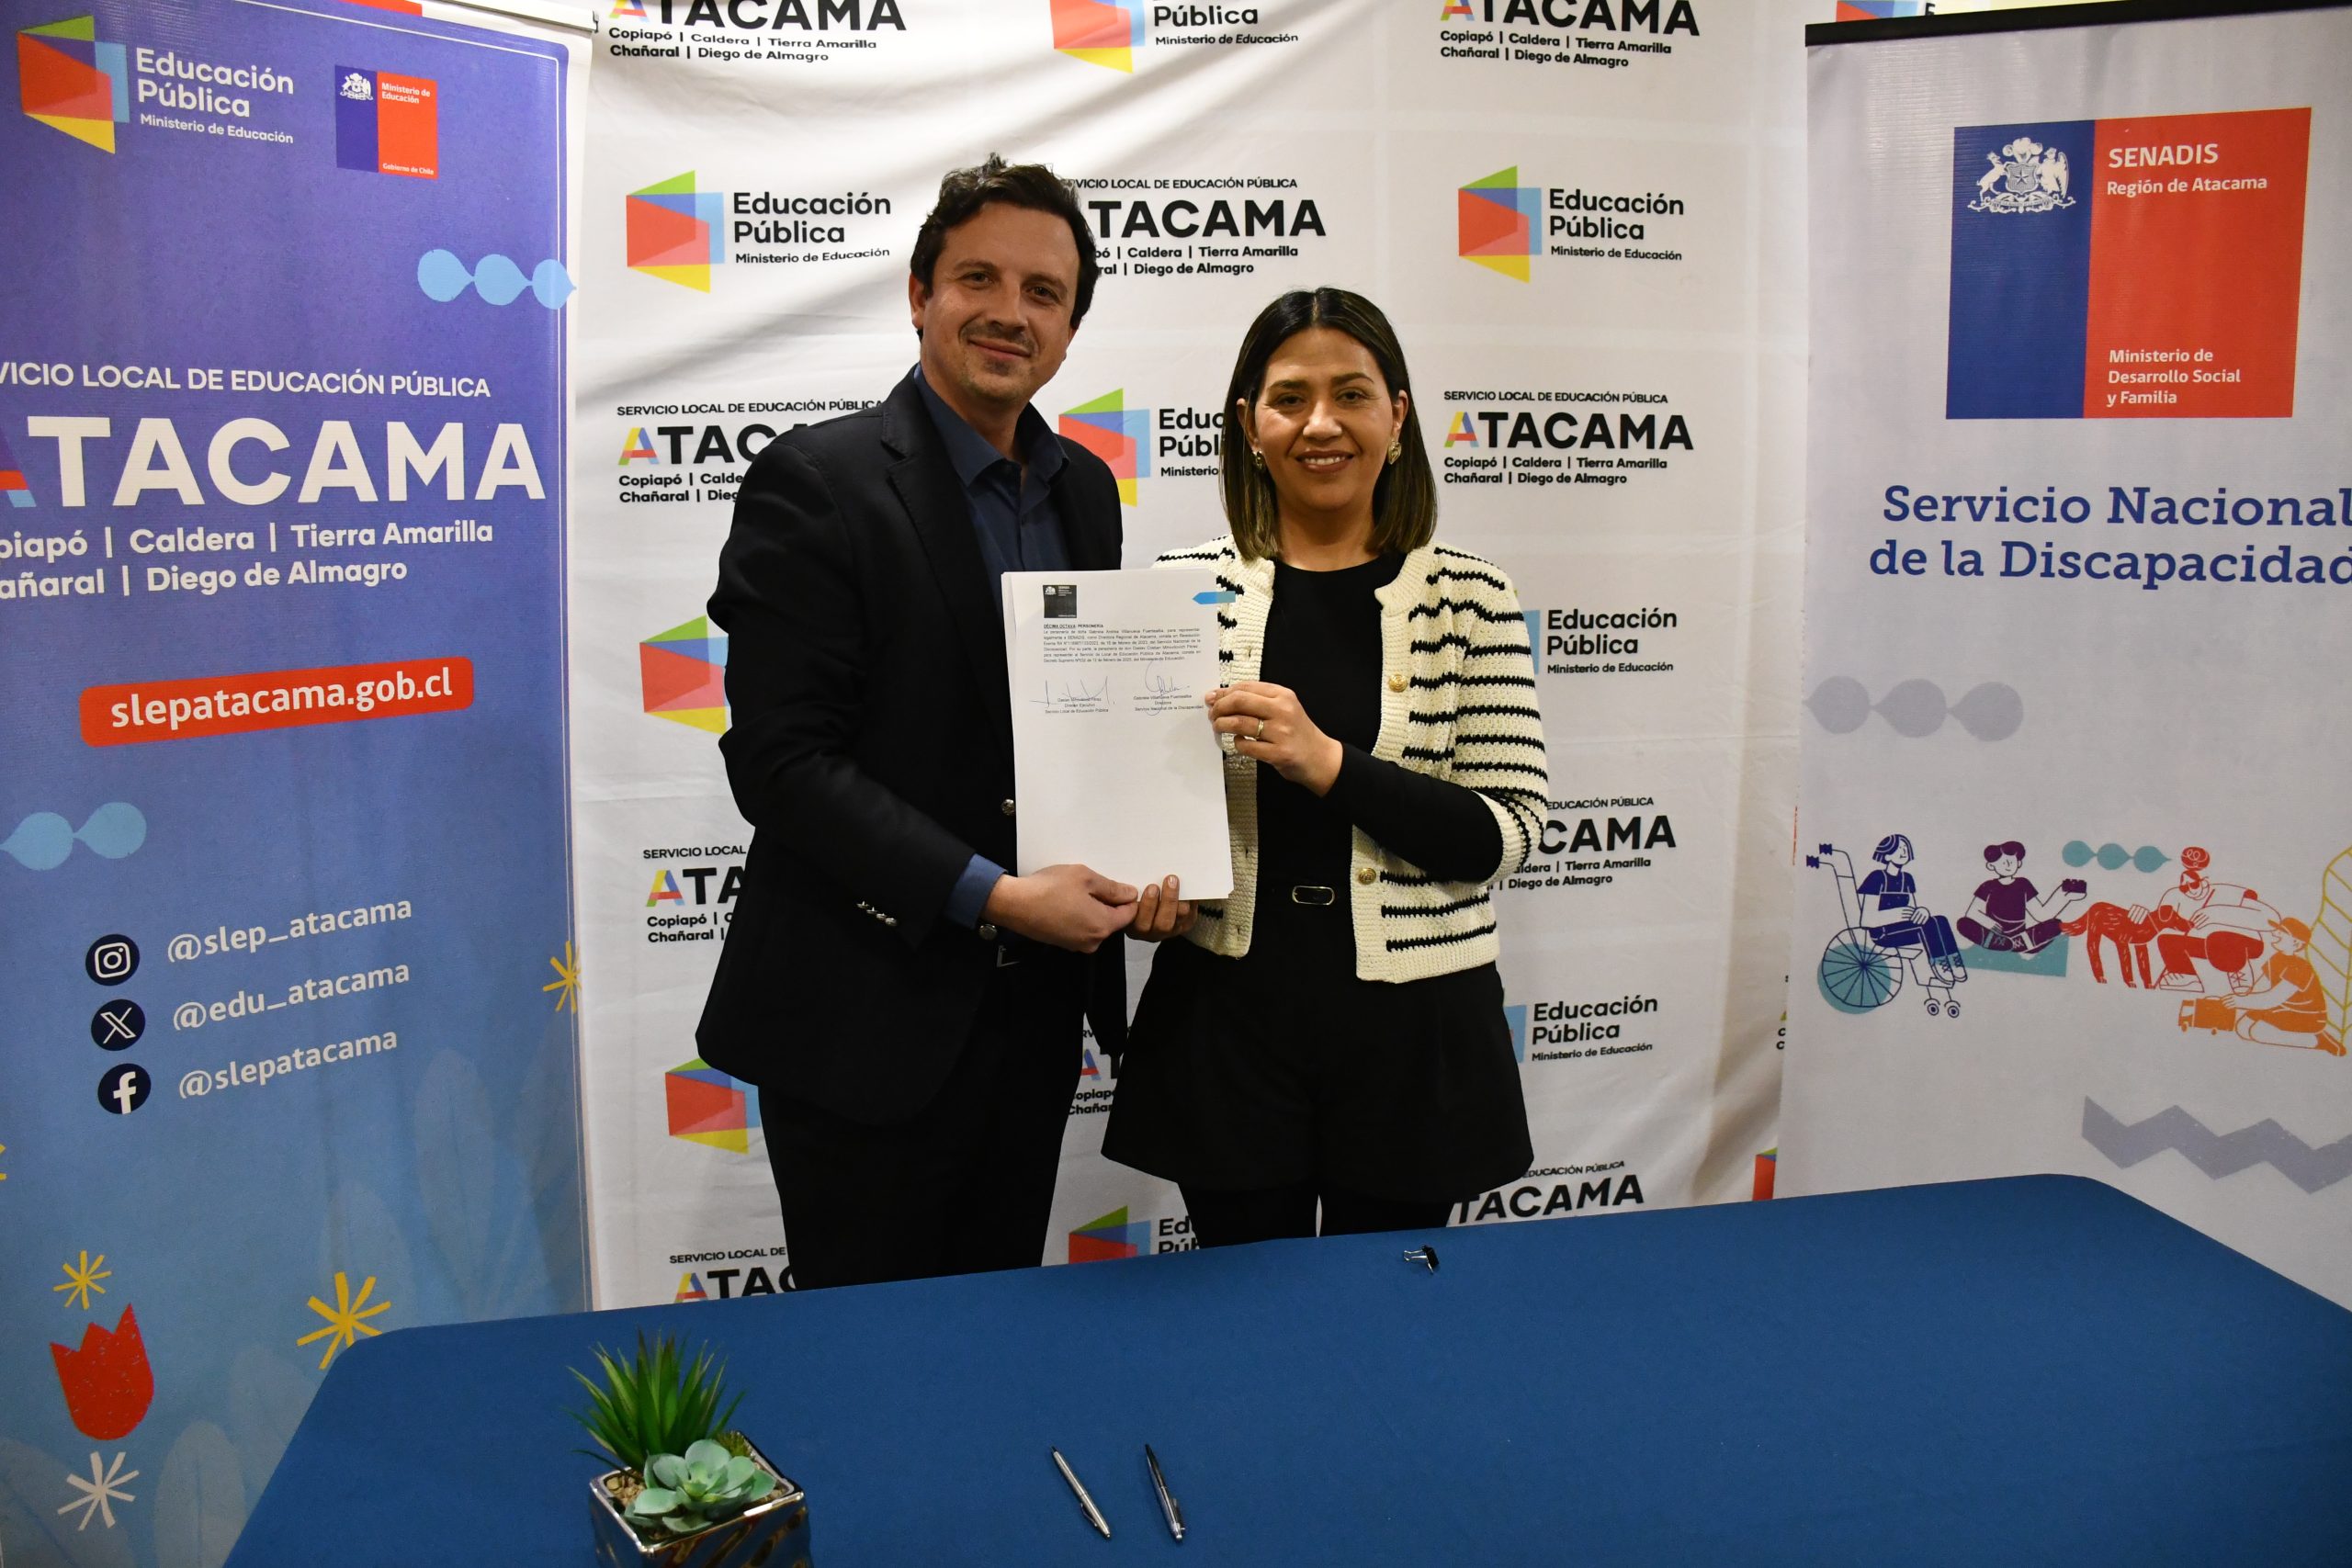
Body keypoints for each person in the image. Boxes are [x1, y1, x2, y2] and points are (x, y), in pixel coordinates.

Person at [699, 156, 1148, 1290]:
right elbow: (783, 764)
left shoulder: (1086, 491)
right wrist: (995, 896)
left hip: (1034, 1020)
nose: (1009, 313)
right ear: (919, 294)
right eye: (977, 279)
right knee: (870, 1353)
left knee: (997, 1332)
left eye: (1043, 292)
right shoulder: (818, 480)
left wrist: (1149, 860)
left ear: (1070, 327)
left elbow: (1076, 728)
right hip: (863, 1017)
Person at [1102, 288, 1543, 1247]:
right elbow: (1133, 805)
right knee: (1243, 1308)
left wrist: (1331, 764)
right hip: (1226, 1021)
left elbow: (1506, 834)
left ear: (1398, 414)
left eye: (1351, 393)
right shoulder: (1178, 593)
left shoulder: (1471, 597)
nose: (1320, 423)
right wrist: (1139, 888)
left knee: (1386, 1310)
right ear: (1248, 425)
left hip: (1416, 1033)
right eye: (1289, 398)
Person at [2220, 917, 2345, 1054]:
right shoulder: (2276, 959)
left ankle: (2317, 1040)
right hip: (2282, 1009)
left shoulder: (2299, 968)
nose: (2275, 933)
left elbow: (2273, 998)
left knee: (2257, 1031)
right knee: (2242, 1028)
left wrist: (2240, 1001)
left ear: (2296, 943)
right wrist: (2242, 997)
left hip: (2307, 1017)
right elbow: (2261, 987)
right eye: (2277, 930)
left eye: (2282, 932)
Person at [1856, 834, 1964, 985]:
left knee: (1940, 920)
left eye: (1905, 848)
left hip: (1904, 928)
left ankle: (1953, 960)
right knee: (1928, 925)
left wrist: (1922, 911)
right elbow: (1866, 920)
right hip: (1882, 933)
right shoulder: (1877, 877)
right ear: (1887, 855)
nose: (1903, 851)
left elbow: (1912, 910)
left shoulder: (1907, 878)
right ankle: (1940, 964)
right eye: (1898, 848)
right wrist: (1897, 914)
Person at [1957, 840, 2083, 956]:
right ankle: (1999, 943)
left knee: (2055, 925)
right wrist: (1989, 923)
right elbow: (1972, 912)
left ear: (2018, 863)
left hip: (2019, 936)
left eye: (2011, 862)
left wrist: (2065, 897)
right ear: (1991, 866)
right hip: (1993, 933)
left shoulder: (2023, 884)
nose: (2007, 865)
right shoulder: (1988, 886)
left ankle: (2014, 944)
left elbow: (2040, 914)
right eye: (2003, 862)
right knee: (1963, 923)